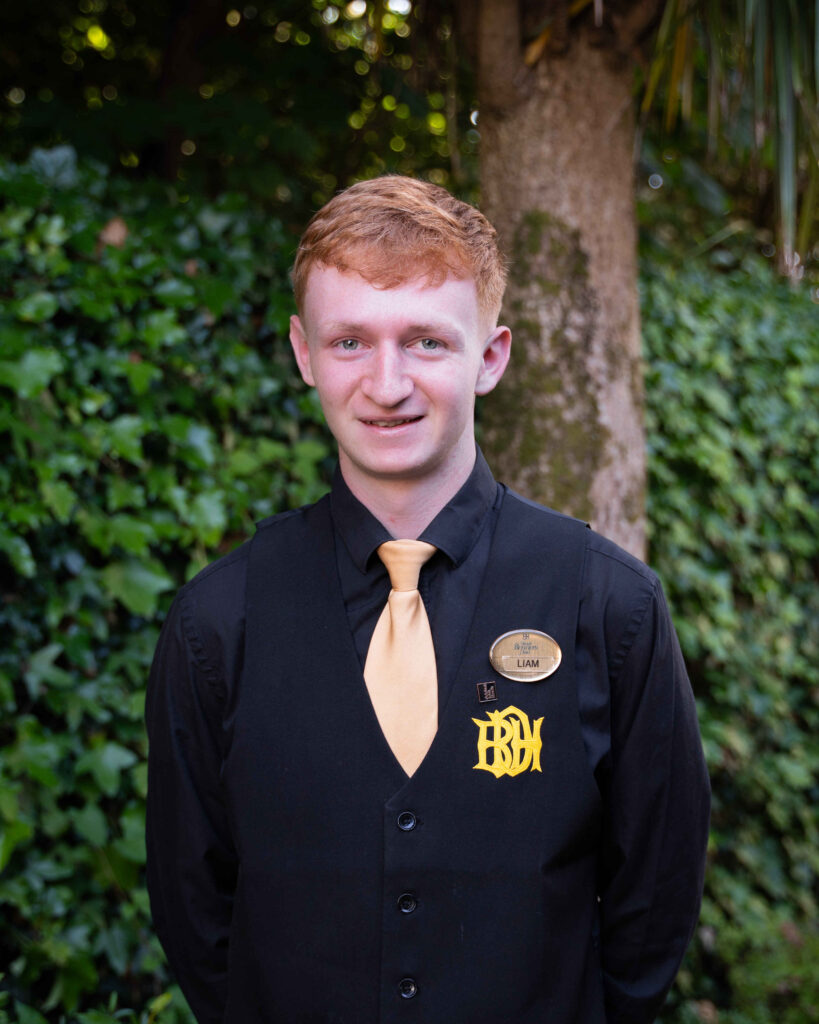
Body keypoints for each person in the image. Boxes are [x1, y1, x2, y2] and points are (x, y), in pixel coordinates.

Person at [145, 176, 710, 1024]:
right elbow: (194, 908)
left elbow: (653, 900)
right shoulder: (218, 623)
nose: (386, 384)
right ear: (303, 353)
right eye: (349, 341)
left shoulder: (609, 606)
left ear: (490, 357)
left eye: (425, 342)